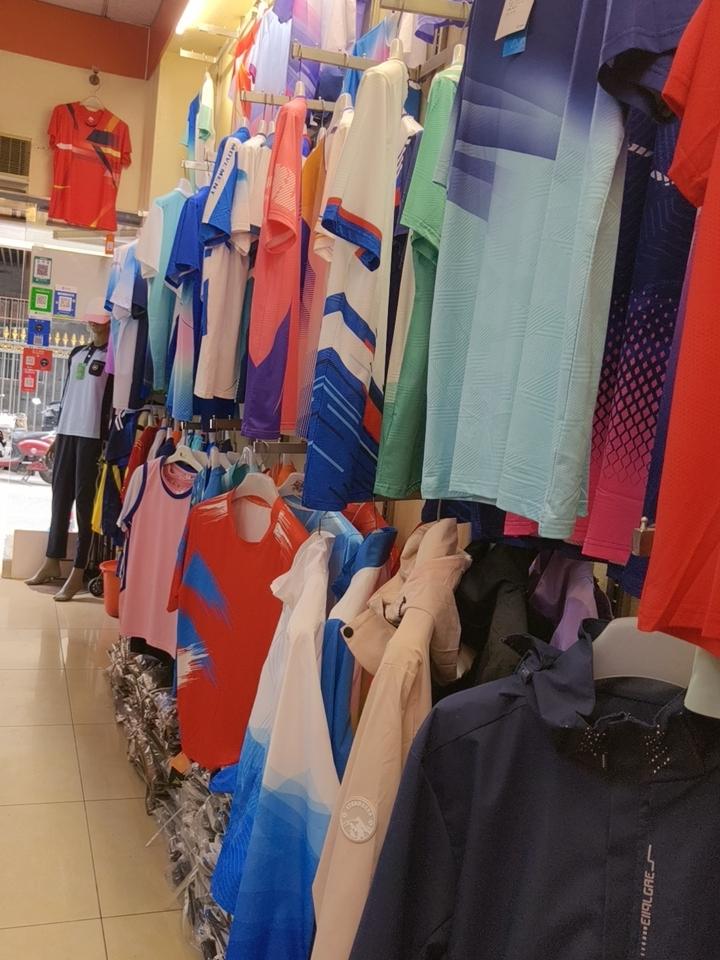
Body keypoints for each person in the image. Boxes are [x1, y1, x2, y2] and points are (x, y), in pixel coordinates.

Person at [26, 298, 113, 601]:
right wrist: (57, 436)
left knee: (86, 504)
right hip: (67, 433)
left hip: (92, 437)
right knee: (59, 497)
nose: (93, 324)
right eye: (91, 319)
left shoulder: (113, 358)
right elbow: (68, 397)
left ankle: (78, 570)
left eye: (100, 320)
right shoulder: (77, 354)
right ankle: (52, 559)